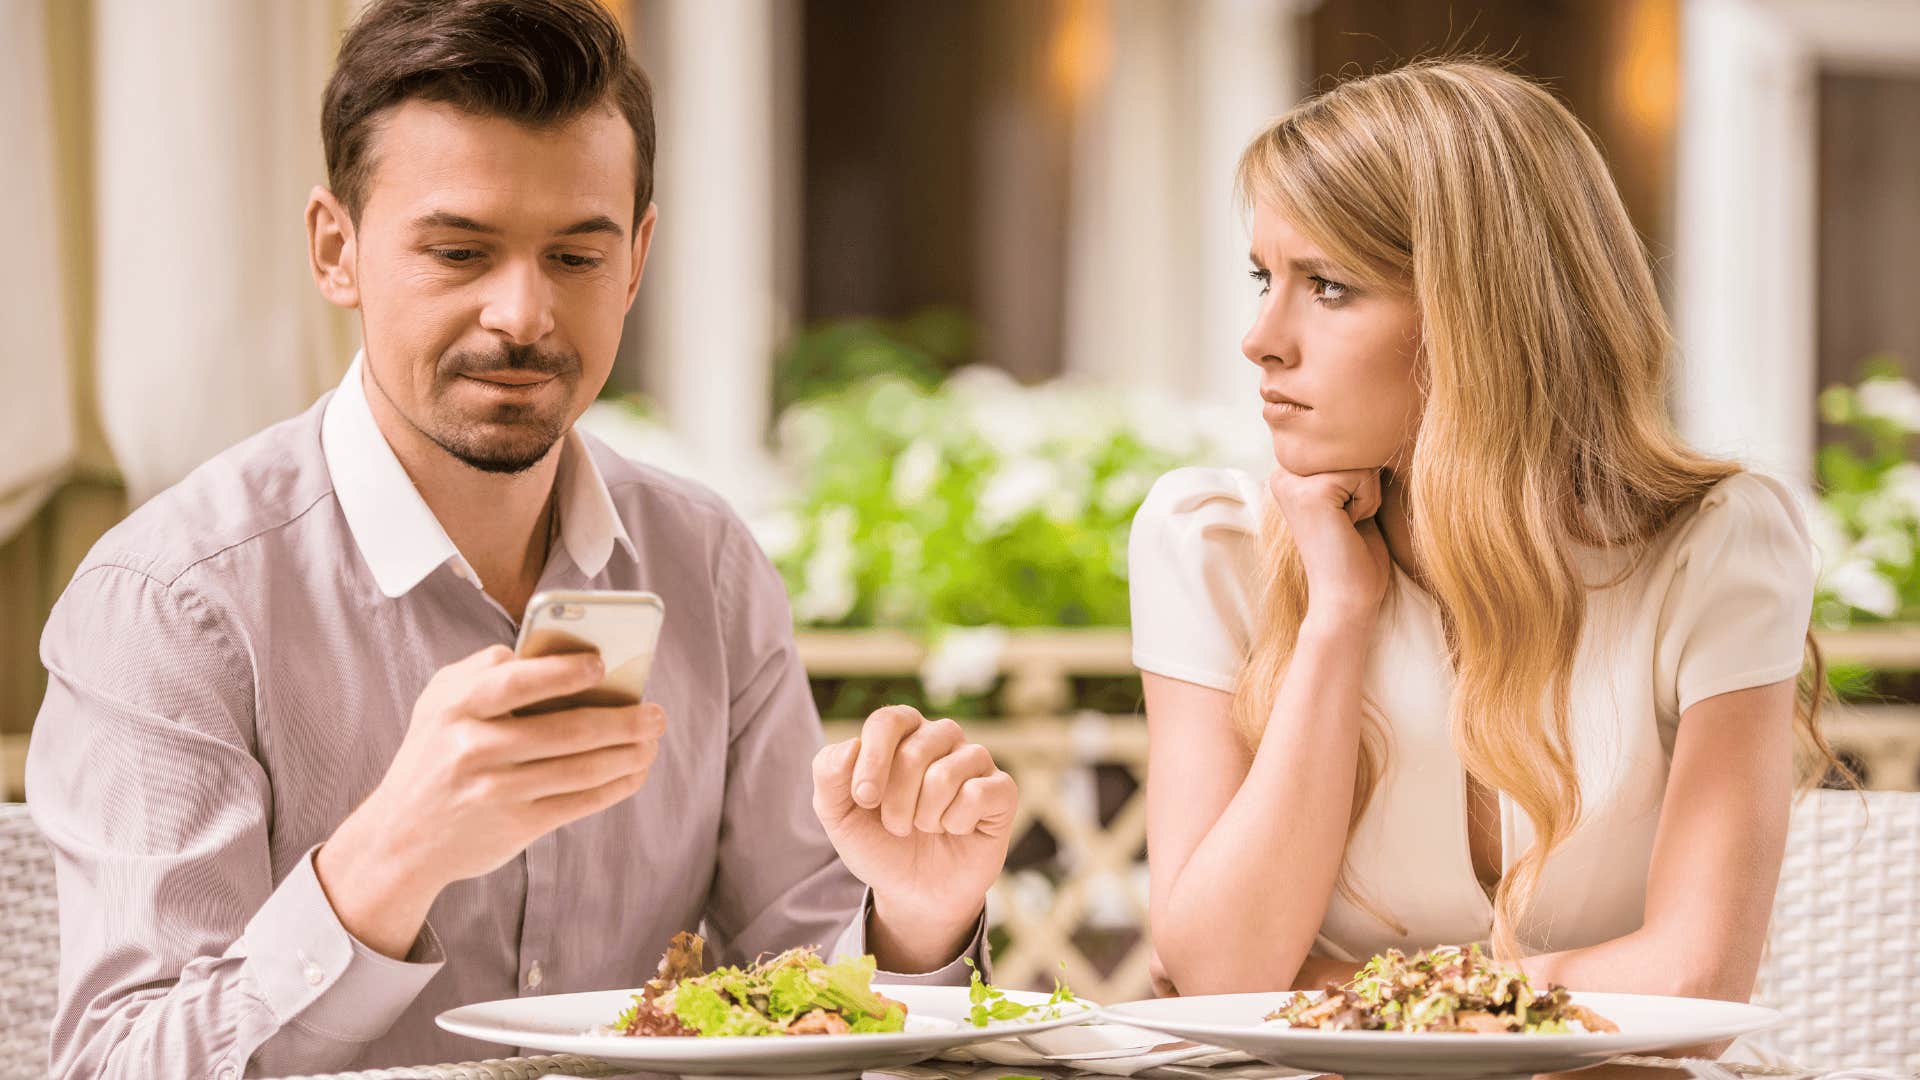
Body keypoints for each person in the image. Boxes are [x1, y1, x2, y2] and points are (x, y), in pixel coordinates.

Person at [26, 2, 1016, 1076]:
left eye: (575, 258)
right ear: (336, 248)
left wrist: (913, 923)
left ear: (636, 260)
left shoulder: (707, 563)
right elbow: (113, 1064)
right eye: (459, 252)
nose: (522, 314)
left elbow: (804, 992)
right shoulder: (171, 601)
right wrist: (389, 857)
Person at [1131, 60, 1844, 1004]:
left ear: (1482, 314)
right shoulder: (1209, 545)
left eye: (1330, 287)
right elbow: (1218, 973)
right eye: (1265, 277)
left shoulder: (1715, 551)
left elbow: (1696, 980)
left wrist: (1351, 989)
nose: (1262, 337)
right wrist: (1339, 617)